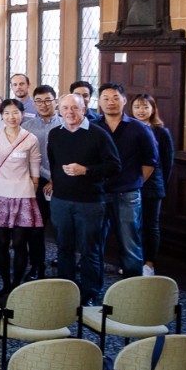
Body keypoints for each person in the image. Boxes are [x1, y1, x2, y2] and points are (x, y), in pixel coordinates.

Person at [48, 93, 120, 306]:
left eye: (75, 108)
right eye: (65, 108)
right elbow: (54, 163)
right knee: (64, 248)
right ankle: (65, 290)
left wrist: (86, 170)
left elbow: (115, 167)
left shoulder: (98, 134)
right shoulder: (55, 134)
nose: (70, 112)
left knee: (90, 250)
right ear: (59, 111)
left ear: (84, 109)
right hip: (61, 200)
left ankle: (90, 293)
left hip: (90, 202)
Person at [98, 83, 158, 278]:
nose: (111, 102)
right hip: (98, 192)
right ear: (99, 102)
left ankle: (133, 290)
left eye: (115, 98)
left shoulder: (139, 128)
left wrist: (135, 182)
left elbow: (150, 162)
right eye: (106, 98)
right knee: (95, 240)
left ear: (124, 101)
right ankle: (93, 289)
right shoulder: (93, 127)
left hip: (128, 193)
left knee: (130, 241)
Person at [0, 100, 42, 294]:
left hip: (23, 193)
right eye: (7, 113)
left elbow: (35, 165)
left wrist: (32, 186)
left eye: (15, 112)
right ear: (1, 116)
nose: (11, 117)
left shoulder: (30, 138)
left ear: (22, 114)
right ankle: (5, 283)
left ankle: (16, 283)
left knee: (19, 242)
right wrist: (4, 177)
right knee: (0, 242)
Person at [130, 93, 173, 276]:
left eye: (145, 107)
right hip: (130, 184)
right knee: (132, 225)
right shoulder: (128, 129)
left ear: (153, 109)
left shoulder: (161, 132)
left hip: (153, 187)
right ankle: (133, 260)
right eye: (137, 107)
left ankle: (149, 263)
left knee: (150, 225)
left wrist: (160, 184)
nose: (141, 111)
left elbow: (167, 162)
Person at [20, 84, 60, 280]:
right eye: (39, 101)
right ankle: (37, 266)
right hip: (37, 183)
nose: (43, 105)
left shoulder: (64, 123)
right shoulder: (26, 127)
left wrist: (55, 178)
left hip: (63, 182)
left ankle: (64, 265)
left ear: (56, 101)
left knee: (62, 228)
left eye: (47, 100)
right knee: (36, 229)